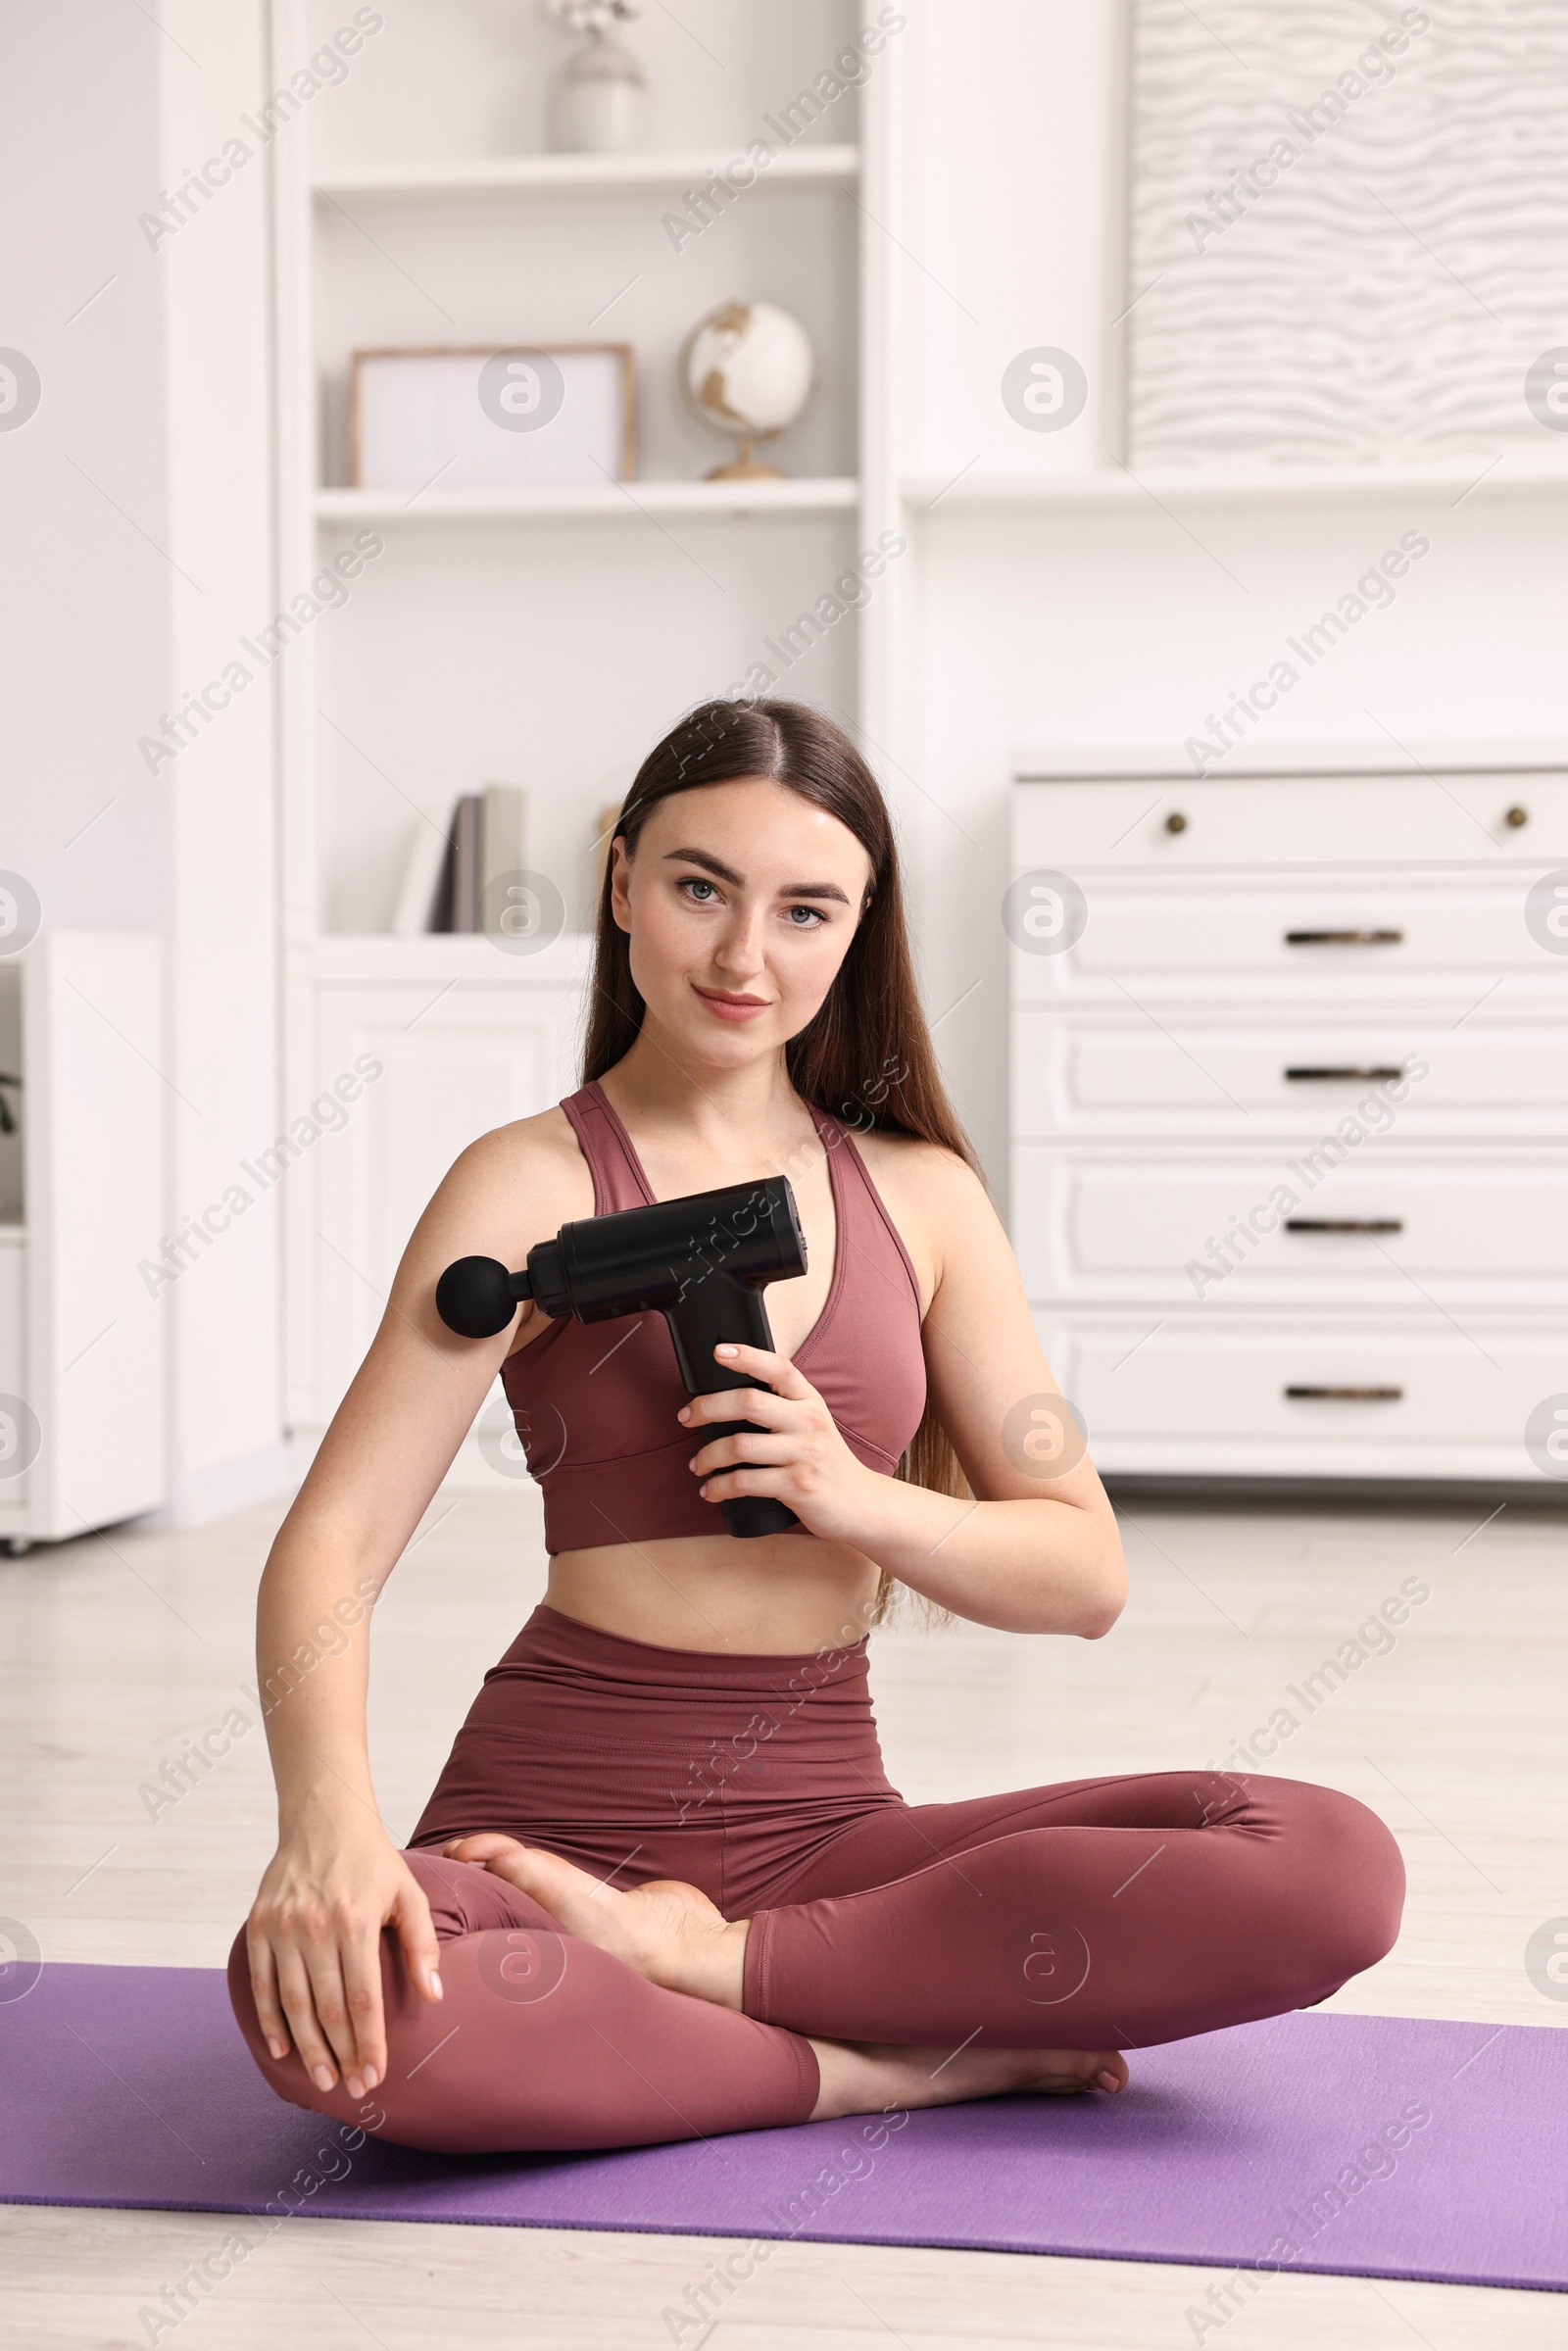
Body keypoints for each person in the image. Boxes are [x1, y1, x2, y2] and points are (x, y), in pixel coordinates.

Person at [228, 699, 1404, 2154]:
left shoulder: (926, 1199)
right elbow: (331, 1539)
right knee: (338, 2025)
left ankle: (709, 1980)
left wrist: (850, 1495)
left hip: (824, 1843)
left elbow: (1082, 1573)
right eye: (699, 887)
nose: (743, 956)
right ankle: (889, 2068)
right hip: (547, 1837)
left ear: (860, 927)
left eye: (805, 909)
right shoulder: (520, 1189)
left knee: (1328, 1867)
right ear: (622, 884)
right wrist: (327, 1836)